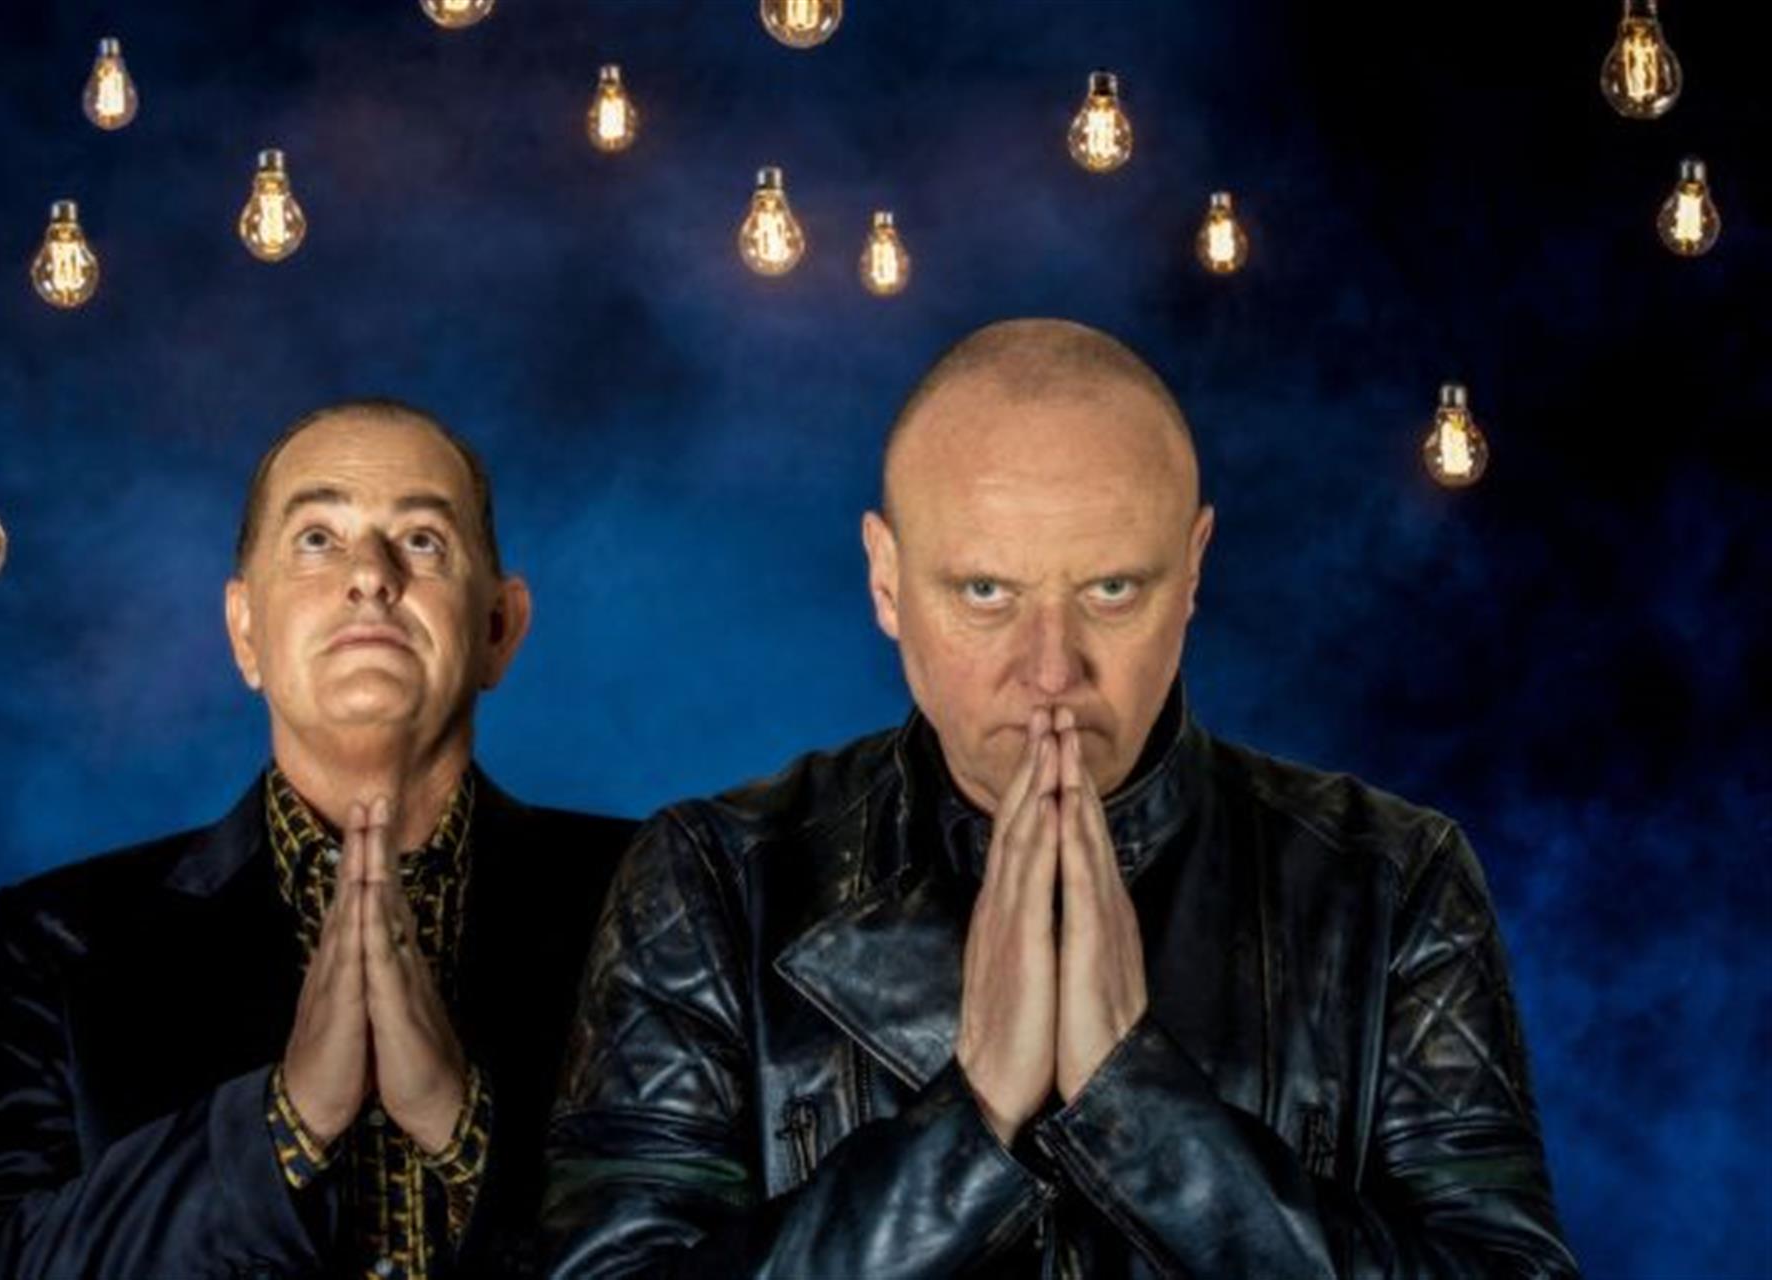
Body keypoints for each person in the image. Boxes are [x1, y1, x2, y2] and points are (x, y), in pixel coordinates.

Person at [541, 320, 1579, 1277]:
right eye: (985, 591)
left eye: (1111, 590)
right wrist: (971, 1120)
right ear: (886, 579)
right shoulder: (715, 880)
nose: (1050, 672)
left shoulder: (1391, 880)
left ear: (1192, 571)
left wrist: (1138, 1105)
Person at [0, 399, 633, 1279]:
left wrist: (466, 1129)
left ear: (498, 628)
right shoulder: (69, 939)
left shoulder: (658, 895)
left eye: (421, 540)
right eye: (318, 540)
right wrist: (281, 1129)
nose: (370, 576)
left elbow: (738, 1249)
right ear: (245, 630)